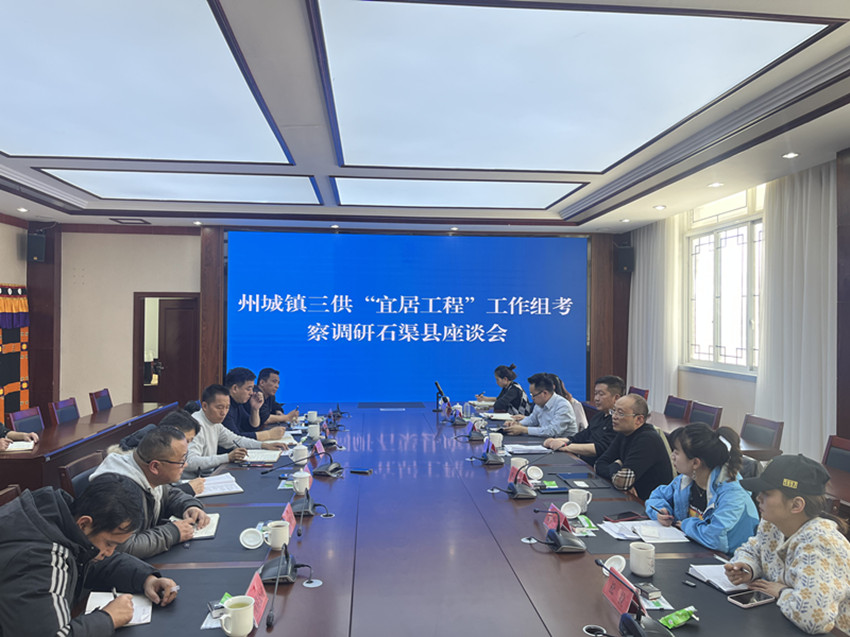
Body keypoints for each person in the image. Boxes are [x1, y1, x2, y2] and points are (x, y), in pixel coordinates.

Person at [0, 474, 179, 636]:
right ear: (84, 523)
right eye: (109, 543)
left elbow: (91, 559)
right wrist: (109, 618)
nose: (110, 552)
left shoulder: (61, 520)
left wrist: (146, 579)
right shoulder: (38, 559)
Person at [724, 454, 850, 634]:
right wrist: (747, 566)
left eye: (767, 493)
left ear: (796, 505)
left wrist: (782, 592)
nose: (758, 497)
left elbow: (813, 618)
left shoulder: (821, 544)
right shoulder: (772, 523)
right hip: (785, 622)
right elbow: (753, 549)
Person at [90, 425, 210, 559]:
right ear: (155, 466)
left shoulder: (144, 469)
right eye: (181, 461)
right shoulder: (120, 491)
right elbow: (124, 547)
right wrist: (173, 533)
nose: (185, 465)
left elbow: (169, 494)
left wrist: (189, 506)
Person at [645, 423, 758, 554]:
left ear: (695, 463)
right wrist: (660, 511)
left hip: (729, 559)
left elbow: (715, 538)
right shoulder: (687, 479)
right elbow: (657, 496)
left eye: (676, 452)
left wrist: (686, 525)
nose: (672, 456)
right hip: (695, 548)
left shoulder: (732, 493)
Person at [184, 384, 289, 478]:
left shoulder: (215, 422)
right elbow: (190, 462)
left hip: (207, 476)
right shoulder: (195, 425)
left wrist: (263, 445)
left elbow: (236, 440)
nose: (224, 412)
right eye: (219, 407)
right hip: (191, 482)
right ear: (205, 406)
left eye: (227, 407)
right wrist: (227, 457)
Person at [594, 393, 672, 500]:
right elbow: (599, 464)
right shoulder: (623, 433)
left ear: (639, 419)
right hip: (631, 498)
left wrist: (615, 465)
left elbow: (622, 483)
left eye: (620, 413)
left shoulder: (647, 439)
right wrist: (617, 468)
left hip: (651, 504)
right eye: (614, 411)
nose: (614, 417)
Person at [544, 374, 622, 462]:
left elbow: (601, 448)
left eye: (601, 394)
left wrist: (565, 446)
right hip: (583, 461)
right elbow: (582, 436)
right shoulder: (599, 416)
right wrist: (557, 440)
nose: (596, 398)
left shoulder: (618, 421)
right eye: (595, 394)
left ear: (616, 398)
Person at [503, 373, 576, 438]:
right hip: (546, 442)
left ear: (545, 393)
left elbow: (552, 431)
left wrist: (524, 430)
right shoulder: (540, 403)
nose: (532, 398)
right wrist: (517, 424)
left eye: (533, 395)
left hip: (564, 445)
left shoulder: (563, 406)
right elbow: (532, 420)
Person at [221, 367, 285, 440]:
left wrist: (255, 409)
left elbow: (251, 427)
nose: (251, 393)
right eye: (248, 389)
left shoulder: (237, 403)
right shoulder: (224, 406)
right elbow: (234, 439)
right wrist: (268, 435)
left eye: (252, 389)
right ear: (235, 388)